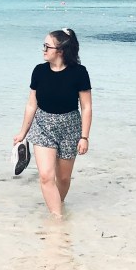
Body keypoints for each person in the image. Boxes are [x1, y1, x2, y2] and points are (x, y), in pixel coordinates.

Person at [13, 28, 92, 218]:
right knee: (46, 176)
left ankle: (58, 203)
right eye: (44, 46)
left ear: (61, 50)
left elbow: (86, 107)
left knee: (63, 178)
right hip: (43, 126)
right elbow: (31, 105)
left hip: (70, 127)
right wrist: (22, 134)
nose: (43, 50)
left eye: (47, 46)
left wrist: (84, 137)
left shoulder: (79, 73)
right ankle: (57, 221)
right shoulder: (39, 71)